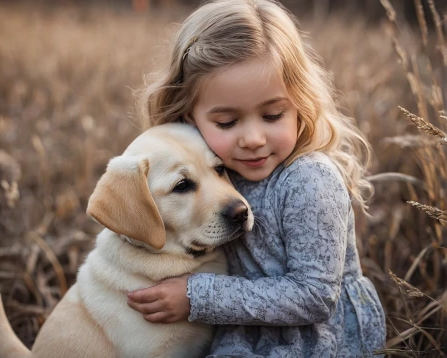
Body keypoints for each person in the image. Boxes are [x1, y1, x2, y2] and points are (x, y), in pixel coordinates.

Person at [127, 0, 386, 356]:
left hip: (314, 337)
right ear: (190, 118)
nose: (252, 139)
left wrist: (196, 296)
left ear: (301, 104)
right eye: (227, 123)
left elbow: (315, 297)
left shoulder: (309, 181)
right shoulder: (212, 172)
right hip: (243, 331)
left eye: (273, 114)